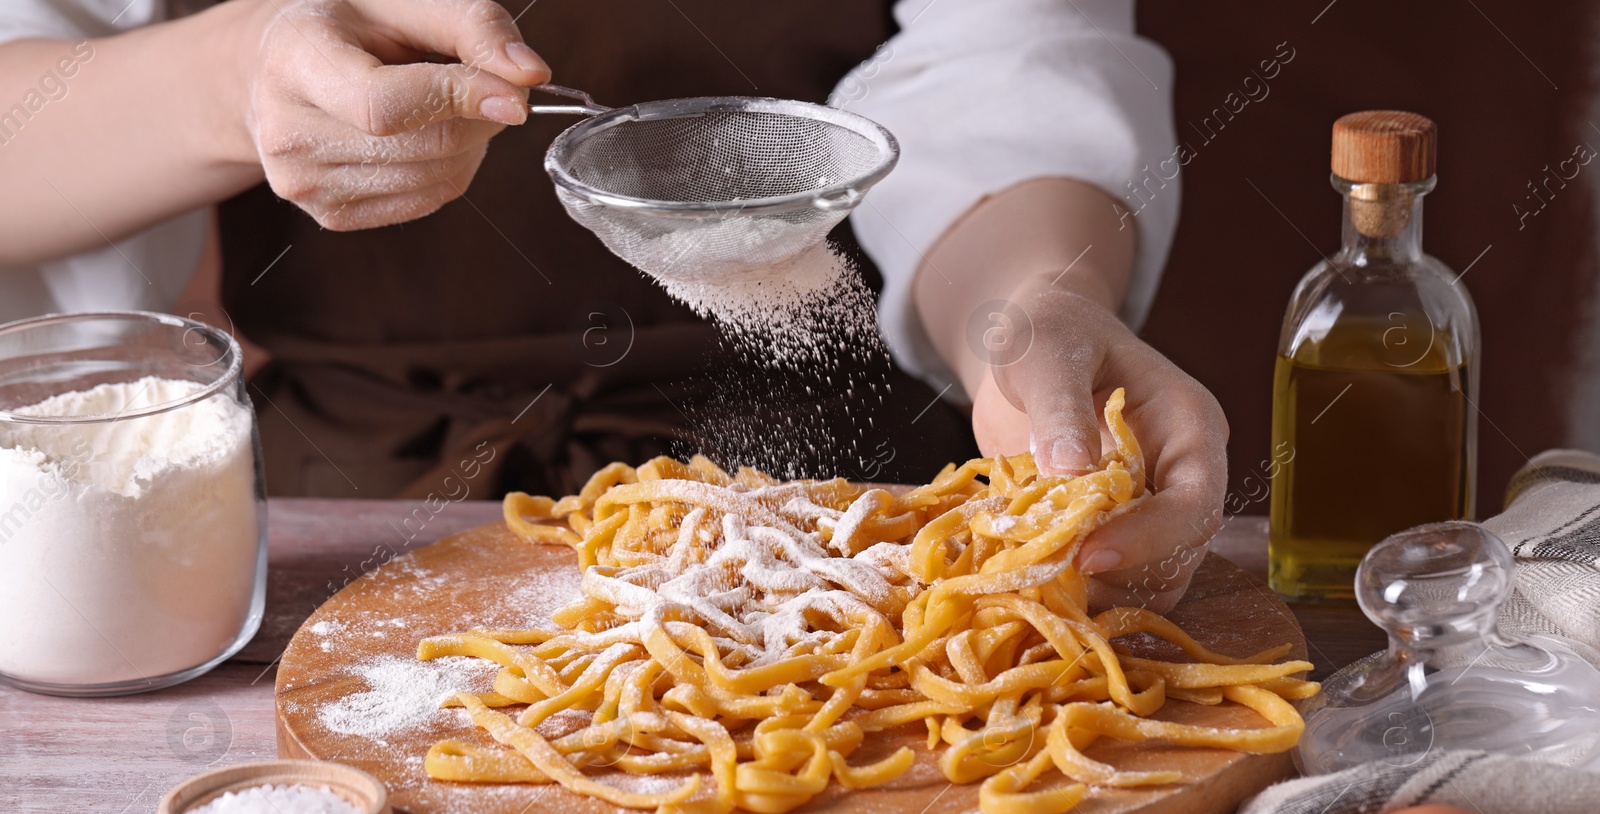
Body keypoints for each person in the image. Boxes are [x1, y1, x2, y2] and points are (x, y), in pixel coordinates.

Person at [0, 0, 1226, 611]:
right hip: (353, 530)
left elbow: (999, 64)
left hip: (868, 529)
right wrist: (232, 78)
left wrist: (1029, 315)